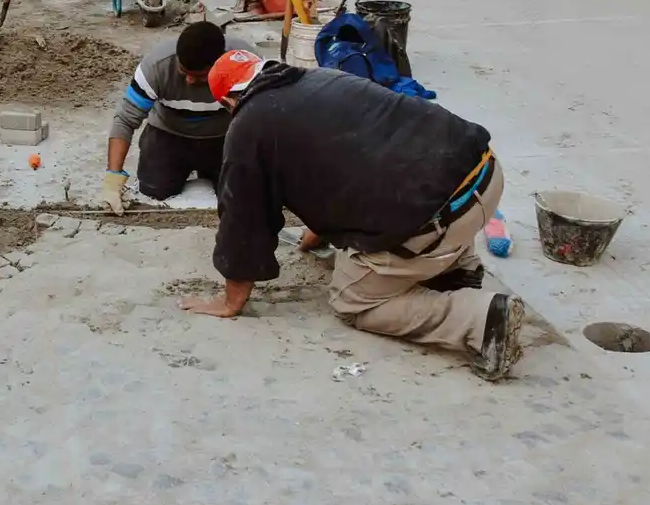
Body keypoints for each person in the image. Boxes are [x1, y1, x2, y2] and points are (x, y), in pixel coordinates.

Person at [181, 50, 524, 382]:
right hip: (485, 174)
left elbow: (243, 217)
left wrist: (232, 299)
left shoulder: (249, 126)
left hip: (439, 218)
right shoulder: (321, 78)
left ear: (228, 102)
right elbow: (345, 160)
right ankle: (455, 272)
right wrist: (320, 229)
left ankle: (482, 320)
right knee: (416, 181)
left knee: (353, 301)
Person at [102, 21, 257, 214]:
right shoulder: (157, 66)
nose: (190, 81)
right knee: (153, 192)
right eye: (184, 72)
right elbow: (125, 119)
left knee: (240, 196)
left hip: (224, 138)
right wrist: (112, 179)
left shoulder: (248, 66)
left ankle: (212, 170)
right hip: (169, 134)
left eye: (200, 76)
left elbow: (264, 120)